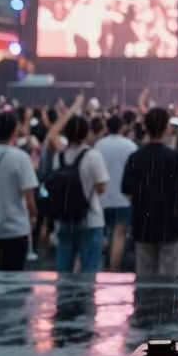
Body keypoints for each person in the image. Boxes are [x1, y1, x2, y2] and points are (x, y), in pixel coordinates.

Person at [121, 108, 178, 277]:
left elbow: (127, 191)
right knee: (169, 277)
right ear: (166, 128)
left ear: (146, 127)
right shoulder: (175, 157)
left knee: (145, 275)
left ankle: (146, 296)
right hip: (171, 225)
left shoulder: (135, 157)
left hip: (143, 224)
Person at [46, 114, 110, 274]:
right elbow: (101, 187)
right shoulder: (93, 156)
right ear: (86, 133)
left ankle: (64, 290)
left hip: (64, 217)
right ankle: (85, 291)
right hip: (90, 218)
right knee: (89, 268)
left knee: (64, 267)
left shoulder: (59, 156)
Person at [0, 111, 40, 271]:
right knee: (13, 277)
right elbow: (29, 198)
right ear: (14, 131)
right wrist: (34, 216)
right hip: (15, 229)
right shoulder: (21, 158)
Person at [94, 114, 138, 271]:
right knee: (119, 235)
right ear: (122, 127)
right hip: (123, 198)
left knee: (99, 234)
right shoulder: (130, 146)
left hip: (101, 197)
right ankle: (113, 270)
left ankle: (96, 268)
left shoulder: (99, 145)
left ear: (107, 127)